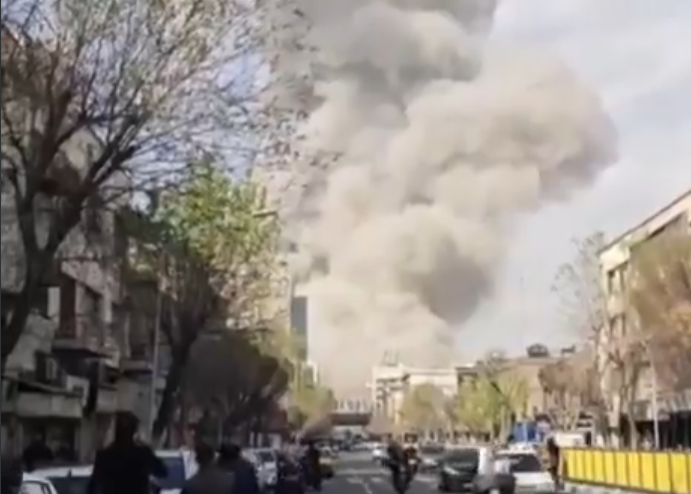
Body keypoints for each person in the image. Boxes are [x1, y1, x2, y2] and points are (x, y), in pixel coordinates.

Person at [87, 411, 167, 494]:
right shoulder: (142, 454)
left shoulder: (104, 457)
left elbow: (92, 487)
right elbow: (162, 471)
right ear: (134, 432)